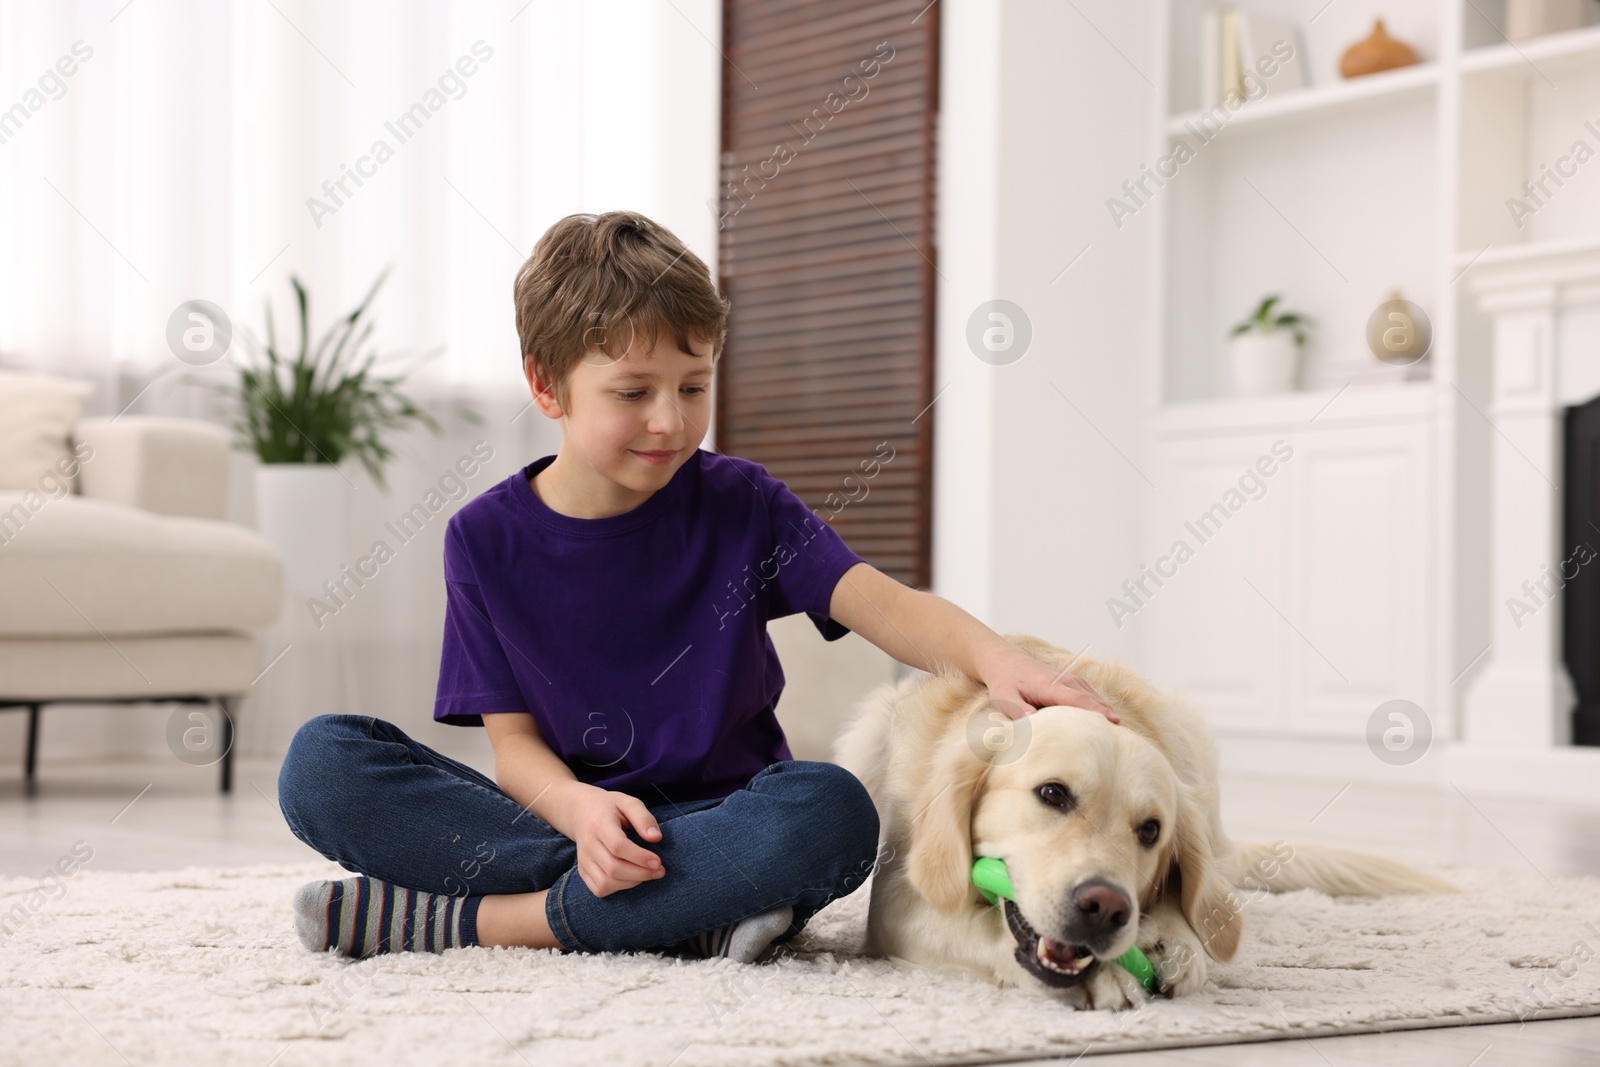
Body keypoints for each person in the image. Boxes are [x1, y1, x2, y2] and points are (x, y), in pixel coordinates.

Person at [276, 210, 1118, 963]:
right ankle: (694, 911)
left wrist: (999, 663)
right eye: (633, 393)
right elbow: (513, 748)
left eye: (694, 386)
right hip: (569, 823)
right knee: (322, 763)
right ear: (546, 385)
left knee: (831, 810)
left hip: (734, 815)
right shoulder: (483, 539)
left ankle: (477, 922)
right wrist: (578, 813)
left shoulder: (743, 502)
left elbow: (886, 604)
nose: (670, 421)